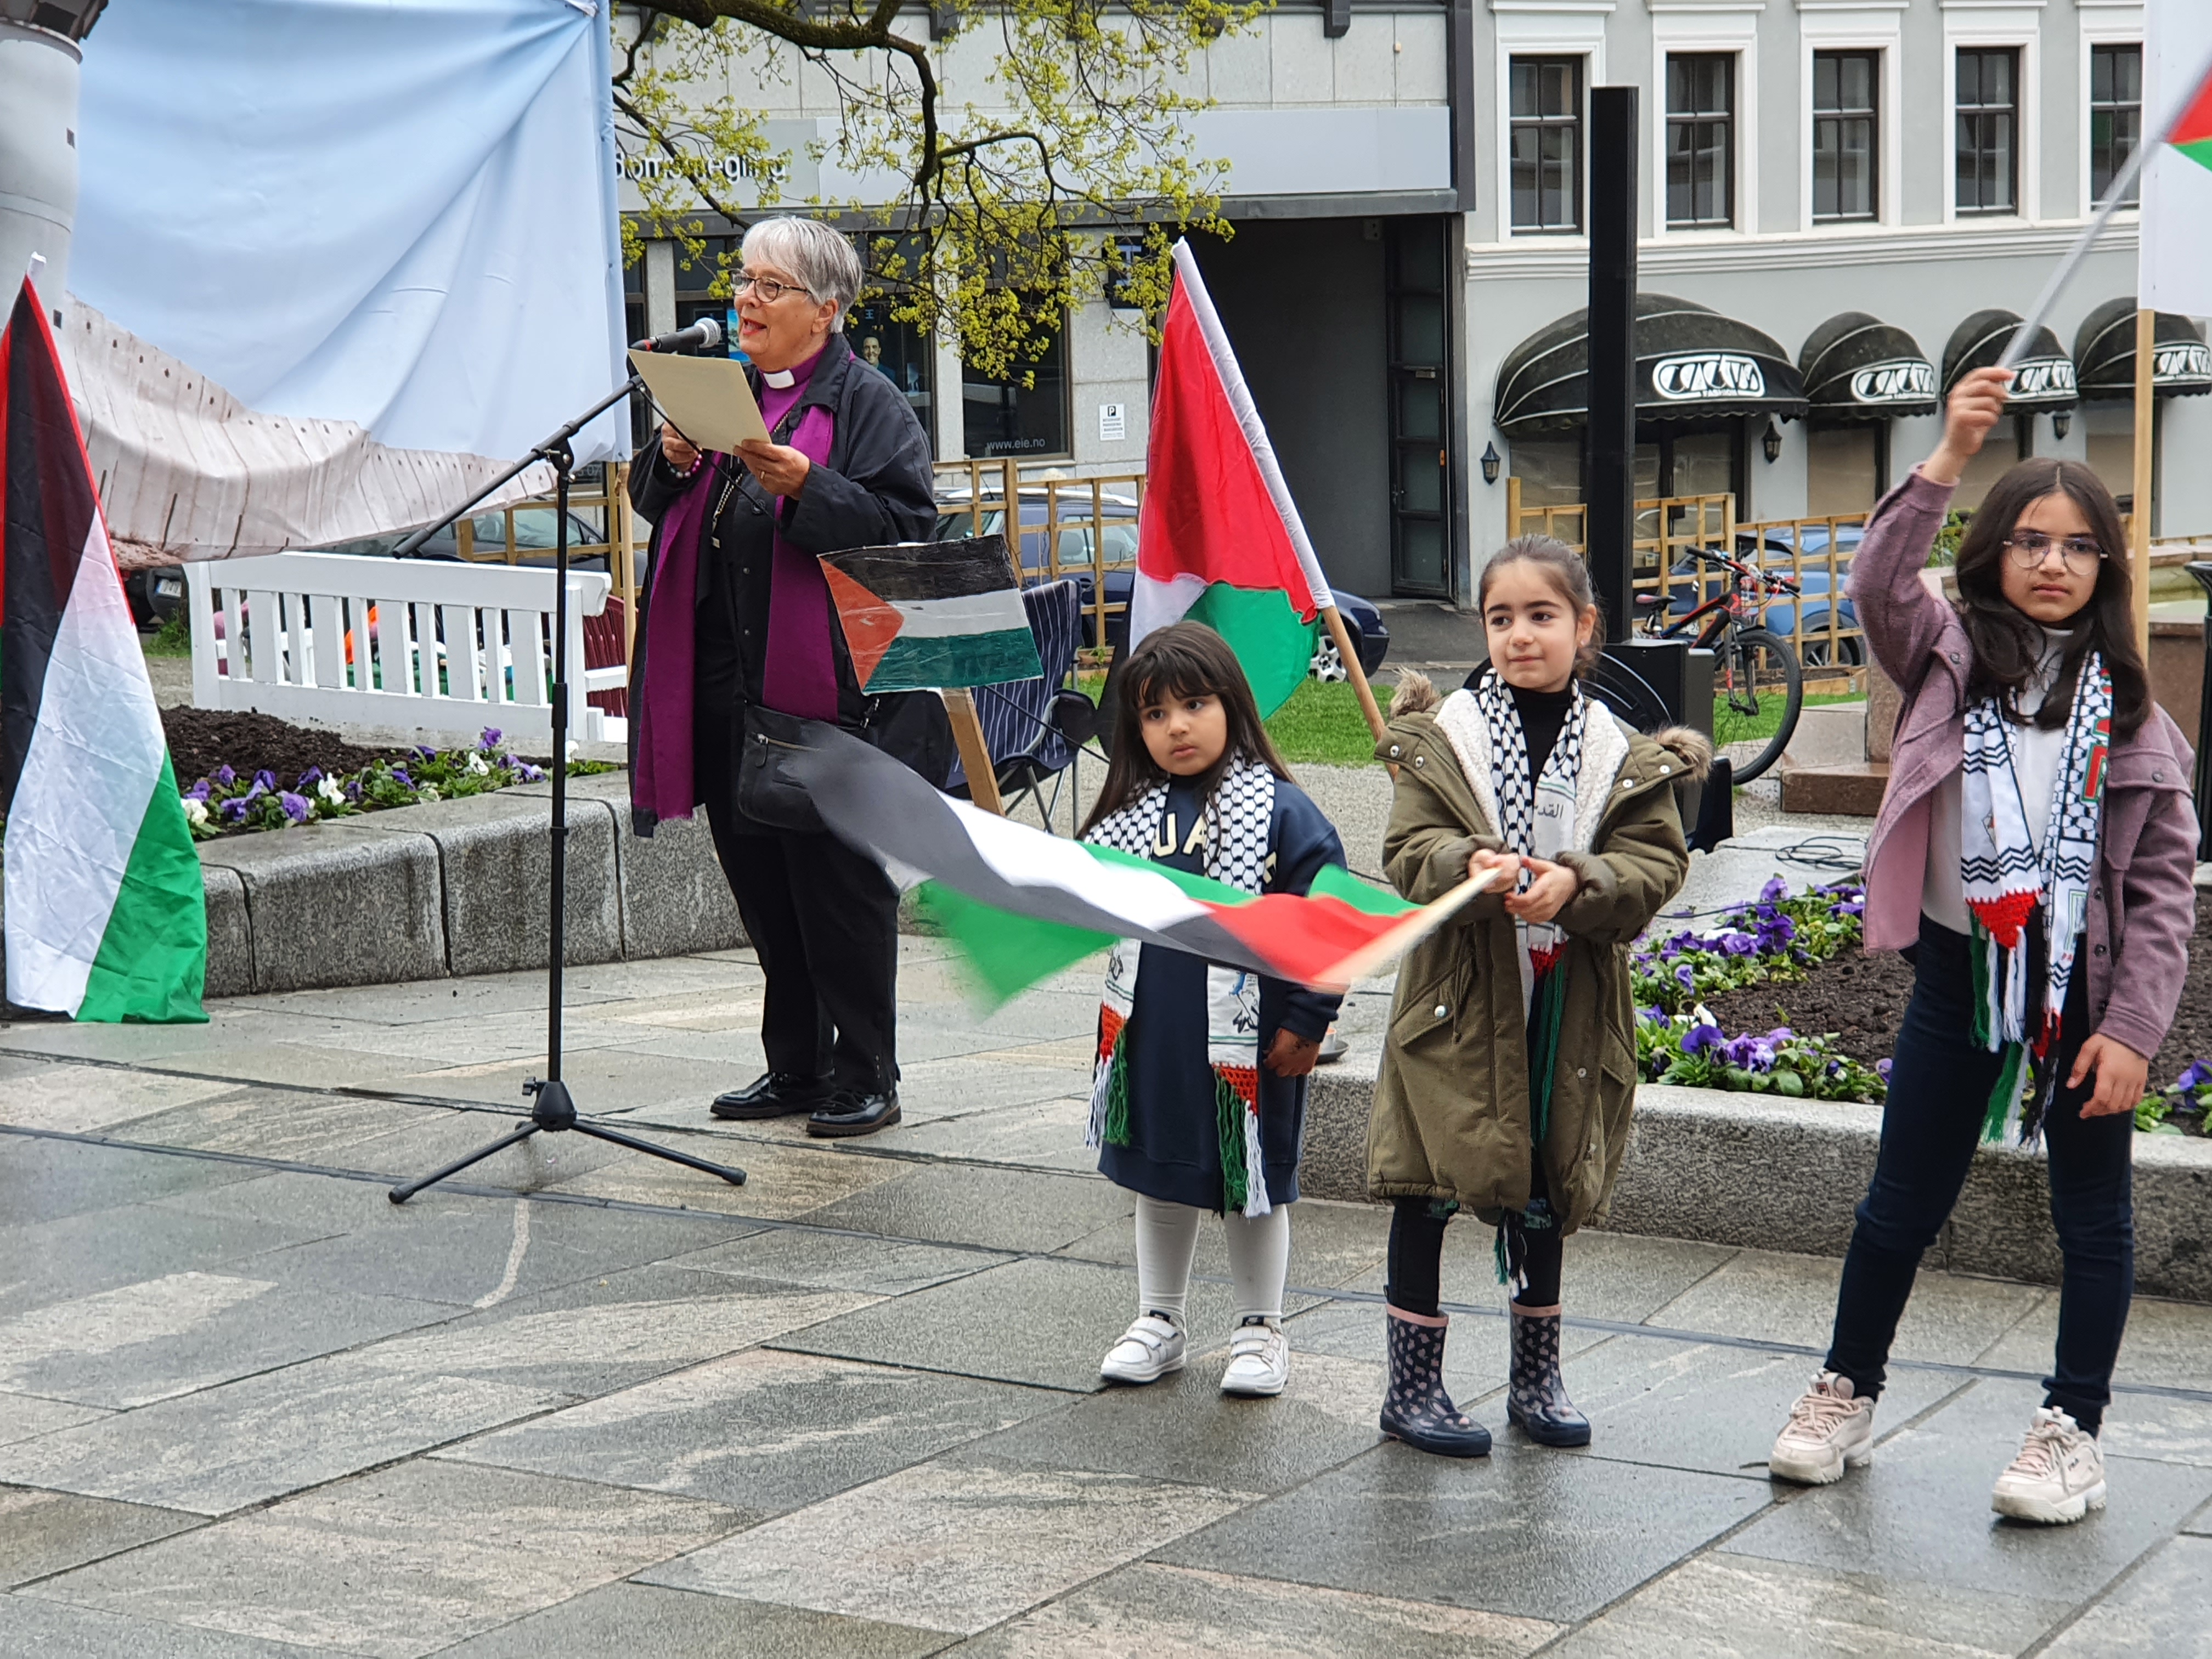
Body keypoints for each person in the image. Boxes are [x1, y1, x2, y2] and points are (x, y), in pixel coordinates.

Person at [1767, 366, 2197, 1525]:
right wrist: (1951, 452)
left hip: (2086, 998)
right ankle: (1846, 1391)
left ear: (2107, 567)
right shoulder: (1947, 658)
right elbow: (1874, 579)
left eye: (2077, 546)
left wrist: (2135, 1033)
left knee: (2093, 1220)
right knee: (1897, 1203)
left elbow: (2162, 893)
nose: (2052, 563)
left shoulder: (2138, 715)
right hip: (1959, 978)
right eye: (2029, 541)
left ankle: (2074, 1430)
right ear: (1992, 552)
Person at [1367, 537, 1705, 1457]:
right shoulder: (1449, 743)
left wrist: (1580, 884)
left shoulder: (1619, 754)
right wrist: (1461, 864)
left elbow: (1656, 863)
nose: (1520, 635)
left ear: (1585, 627)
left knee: (1549, 1178)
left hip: (1569, 998)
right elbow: (1407, 852)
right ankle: (1412, 1387)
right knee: (1428, 1184)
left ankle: (1537, 1375)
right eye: (1501, 618)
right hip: (1458, 1001)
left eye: (1542, 615)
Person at [626, 216, 940, 1140]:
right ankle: (796, 1065)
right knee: (761, 882)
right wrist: (673, 459)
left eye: (770, 287)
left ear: (826, 310)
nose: (746, 301)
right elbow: (660, 505)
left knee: (836, 888)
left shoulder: (866, 403)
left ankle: (866, 1072)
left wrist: (810, 484)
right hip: (720, 680)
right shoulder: (730, 395)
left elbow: (906, 532)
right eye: (744, 282)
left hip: (825, 693)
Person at [1082, 623, 1346, 1398]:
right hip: (1153, 1033)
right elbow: (1086, 892)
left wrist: (1310, 1017)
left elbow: (1327, 919)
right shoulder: (1130, 813)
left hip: (1253, 1041)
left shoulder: (1283, 814)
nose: (1176, 727)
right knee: (1158, 1173)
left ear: (1231, 704)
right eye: (1155, 714)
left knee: (1250, 1179)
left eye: (1194, 704)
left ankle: (1261, 1329)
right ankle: (1159, 1319)